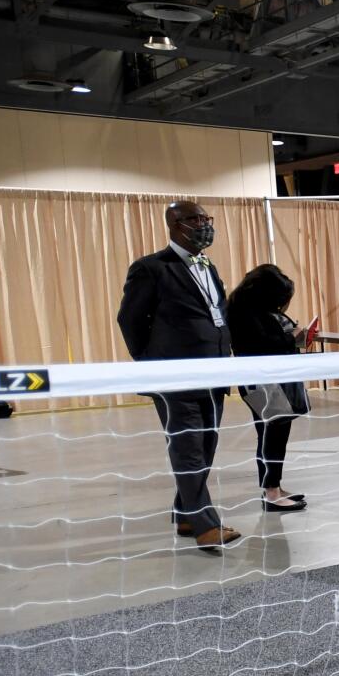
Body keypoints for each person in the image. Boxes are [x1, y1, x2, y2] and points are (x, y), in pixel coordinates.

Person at [116, 199, 240, 553]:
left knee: (205, 447)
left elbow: (218, 314)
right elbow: (129, 319)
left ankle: (185, 514)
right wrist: (151, 363)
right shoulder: (150, 268)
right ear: (174, 225)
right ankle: (205, 526)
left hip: (214, 373)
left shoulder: (209, 267)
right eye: (194, 219)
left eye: (206, 218)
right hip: (175, 379)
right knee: (188, 450)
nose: (203, 224)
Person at [226, 263, 311, 513]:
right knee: (270, 434)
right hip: (260, 382)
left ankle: (274, 485)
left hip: (270, 379)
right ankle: (271, 492)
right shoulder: (244, 313)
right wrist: (291, 338)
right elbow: (263, 345)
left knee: (277, 433)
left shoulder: (254, 309)